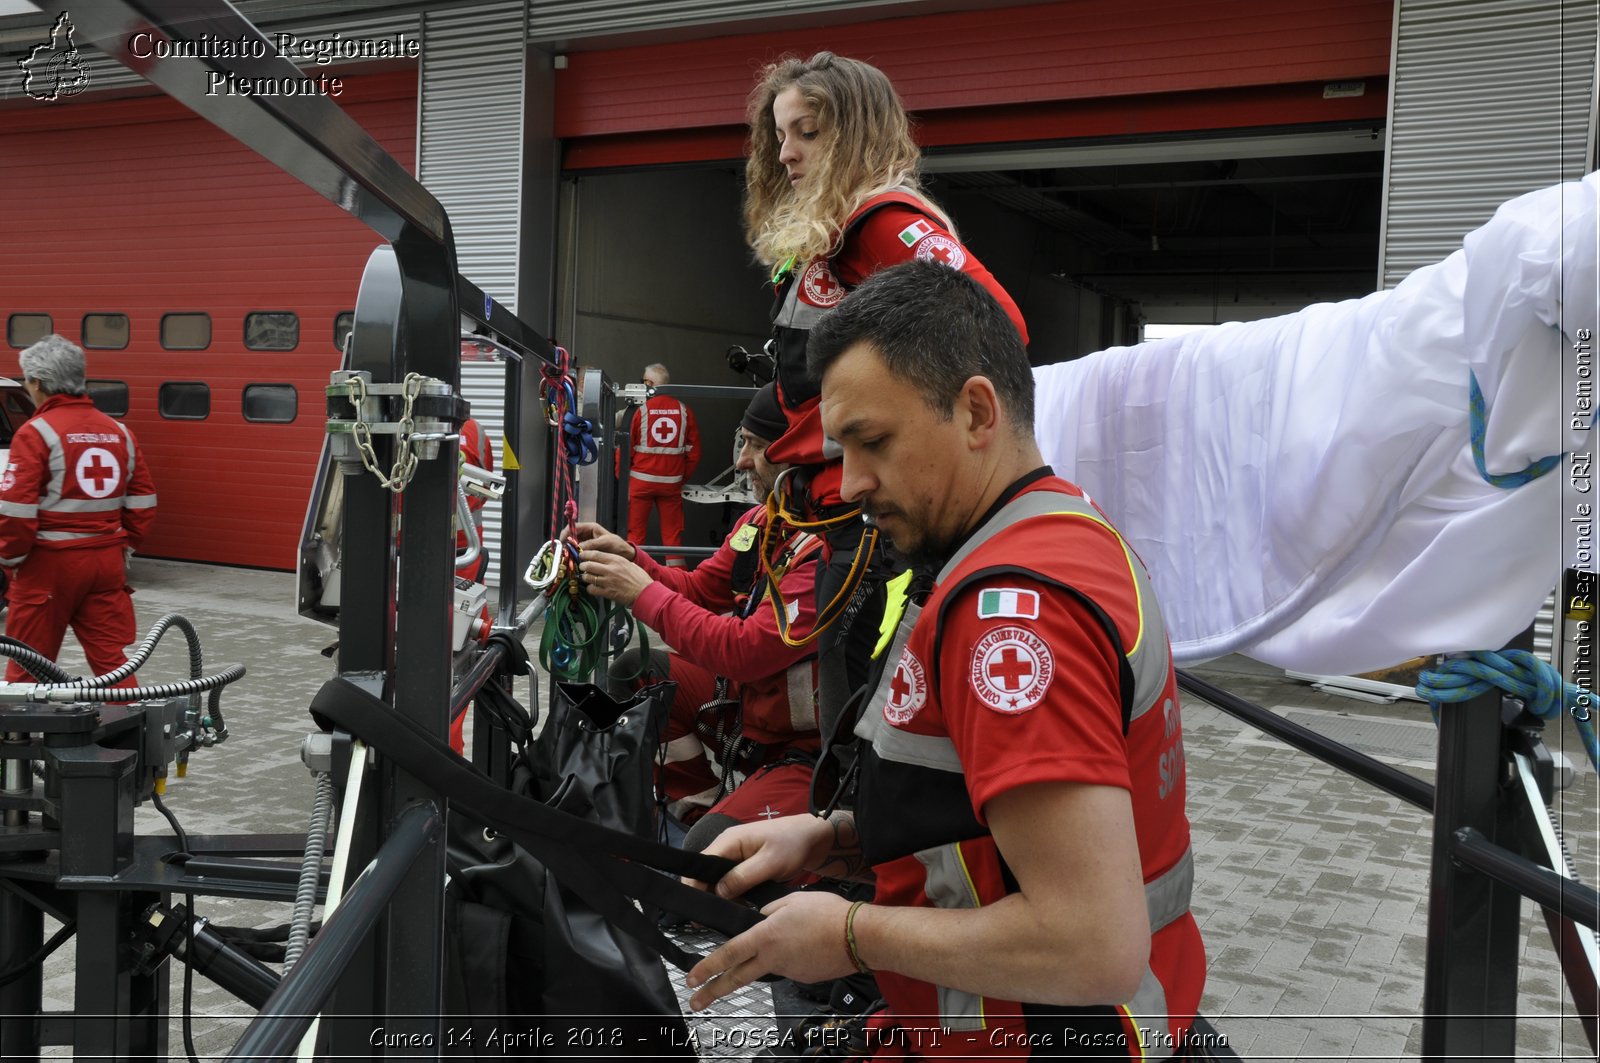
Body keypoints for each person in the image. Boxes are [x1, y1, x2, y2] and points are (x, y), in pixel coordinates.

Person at [685, 262, 1205, 1059]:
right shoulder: (1060, 531)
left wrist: (853, 935)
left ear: (975, 411)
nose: (851, 483)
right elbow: (993, 827)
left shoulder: (1013, 615)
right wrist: (836, 840)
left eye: (874, 442)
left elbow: (1093, 944)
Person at [742, 52, 1030, 744]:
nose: (785, 153)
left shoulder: (882, 221)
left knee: (852, 721)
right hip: (822, 518)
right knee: (818, 704)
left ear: (855, 132)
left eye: (806, 132)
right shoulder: (835, 232)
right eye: (780, 135)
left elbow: (998, 324)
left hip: (863, 527)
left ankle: (845, 838)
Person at [577, 383, 822, 851]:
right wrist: (632, 556)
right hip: (748, 713)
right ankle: (701, 801)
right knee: (637, 672)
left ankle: (724, 829)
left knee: (713, 853)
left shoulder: (827, 549)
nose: (743, 461)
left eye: (755, 445)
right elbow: (701, 590)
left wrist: (640, 592)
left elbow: (745, 651)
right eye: (741, 441)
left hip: (805, 750)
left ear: (797, 451)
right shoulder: (760, 523)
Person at [0, 335, 157, 685]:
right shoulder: (118, 431)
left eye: (26, 381)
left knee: (28, 664)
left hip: (47, 566)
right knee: (112, 664)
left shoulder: (35, 432)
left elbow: (15, 512)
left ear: (38, 382)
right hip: (105, 564)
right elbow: (143, 502)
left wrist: (10, 559)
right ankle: (133, 731)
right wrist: (122, 547)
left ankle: (20, 738)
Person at [622, 362, 700, 567]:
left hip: (640, 483)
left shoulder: (639, 410)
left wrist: (622, 478)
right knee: (673, 539)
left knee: (635, 535)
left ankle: (633, 580)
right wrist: (681, 477)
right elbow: (694, 452)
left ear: (649, 383)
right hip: (671, 484)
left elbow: (625, 447)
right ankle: (679, 584)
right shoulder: (684, 411)